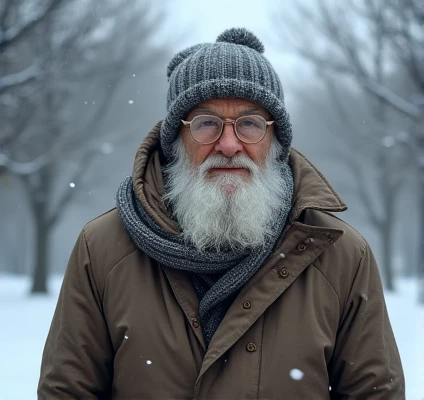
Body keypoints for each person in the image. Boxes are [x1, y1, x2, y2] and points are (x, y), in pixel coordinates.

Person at [38, 27, 405, 399]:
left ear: (274, 140)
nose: (229, 145)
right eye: (206, 123)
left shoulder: (341, 255)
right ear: (175, 140)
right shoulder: (102, 250)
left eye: (250, 123)